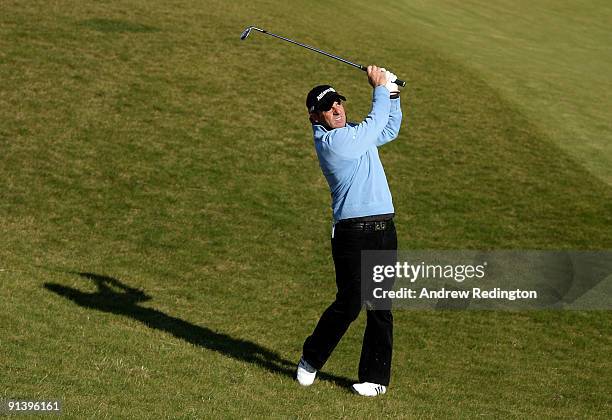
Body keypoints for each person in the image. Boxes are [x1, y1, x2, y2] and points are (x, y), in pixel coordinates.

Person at [296, 66, 403, 396]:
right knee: (350, 303)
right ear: (316, 116)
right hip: (353, 234)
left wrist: (393, 93)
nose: (337, 109)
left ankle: (375, 379)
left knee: (380, 306)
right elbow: (374, 124)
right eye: (329, 107)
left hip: (384, 228)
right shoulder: (333, 143)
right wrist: (380, 88)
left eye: (338, 103)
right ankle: (311, 358)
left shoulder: (355, 133)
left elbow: (388, 129)